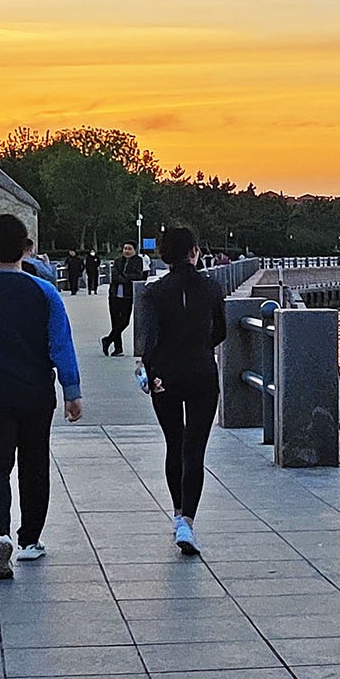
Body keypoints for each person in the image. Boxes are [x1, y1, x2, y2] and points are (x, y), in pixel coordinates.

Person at [0, 214, 84, 581]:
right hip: (36, 393)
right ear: (25, 248)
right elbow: (61, 344)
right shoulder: (45, 292)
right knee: (34, 464)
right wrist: (71, 391)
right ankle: (29, 539)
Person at [133, 225, 227, 554]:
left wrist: (151, 371)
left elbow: (148, 339)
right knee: (194, 449)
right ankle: (188, 520)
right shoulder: (212, 287)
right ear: (194, 252)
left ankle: (176, 513)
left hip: (165, 376)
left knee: (174, 442)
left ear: (164, 255)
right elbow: (221, 331)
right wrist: (200, 346)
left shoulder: (153, 293)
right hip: (202, 372)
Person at [102, 240, 146, 355]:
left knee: (124, 321)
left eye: (129, 249)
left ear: (135, 250)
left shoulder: (138, 261)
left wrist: (124, 277)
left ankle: (107, 340)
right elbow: (114, 276)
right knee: (115, 322)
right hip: (114, 295)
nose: (127, 251)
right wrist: (125, 278)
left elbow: (138, 275)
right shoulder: (118, 261)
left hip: (127, 296)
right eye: (125, 248)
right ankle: (118, 348)